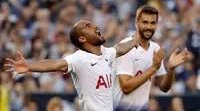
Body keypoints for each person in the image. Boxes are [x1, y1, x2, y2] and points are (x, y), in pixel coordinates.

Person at [4, 20, 139, 111]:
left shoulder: (105, 53)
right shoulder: (79, 58)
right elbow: (56, 64)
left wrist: (136, 39)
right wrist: (30, 66)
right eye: (88, 27)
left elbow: (120, 48)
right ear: (82, 39)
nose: (95, 27)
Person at [112, 5, 188, 111]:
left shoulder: (155, 48)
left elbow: (164, 87)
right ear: (136, 22)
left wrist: (171, 68)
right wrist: (153, 68)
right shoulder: (125, 47)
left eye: (153, 23)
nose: (149, 27)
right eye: (145, 22)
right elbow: (126, 87)